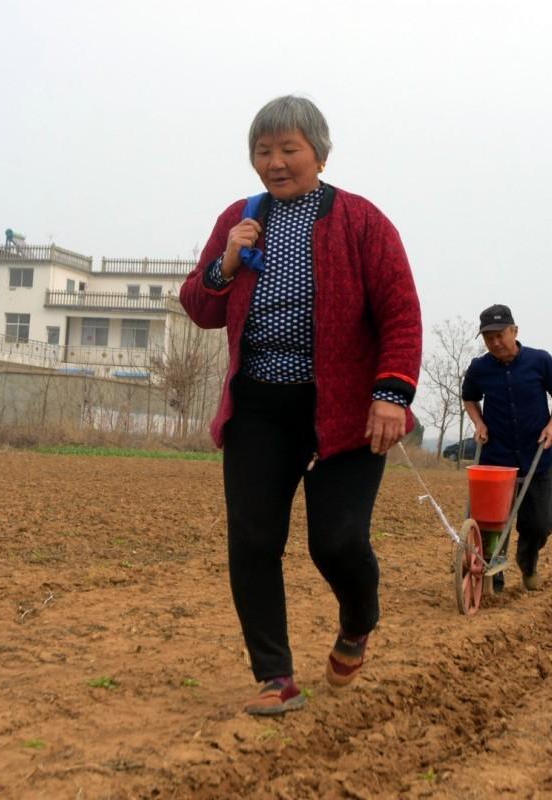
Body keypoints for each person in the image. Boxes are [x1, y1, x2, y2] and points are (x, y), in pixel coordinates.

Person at [179, 96, 422, 716]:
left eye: (289, 149)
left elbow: (400, 313)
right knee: (253, 540)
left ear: (319, 152)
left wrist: (391, 394)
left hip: (344, 409)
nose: (275, 162)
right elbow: (200, 308)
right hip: (259, 408)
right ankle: (275, 677)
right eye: (263, 151)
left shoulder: (361, 221)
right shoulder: (240, 218)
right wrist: (226, 263)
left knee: (336, 542)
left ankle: (358, 620)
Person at [461, 304, 552, 591]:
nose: (495, 342)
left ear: (515, 331)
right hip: (497, 458)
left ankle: (527, 560)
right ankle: (492, 576)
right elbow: (469, 397)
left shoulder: (540, 361)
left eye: (500, 335)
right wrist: (479, 423)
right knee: (493, 521)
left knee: (541, 523)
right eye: (489, 338)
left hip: (537, 455)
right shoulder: (479, 368)